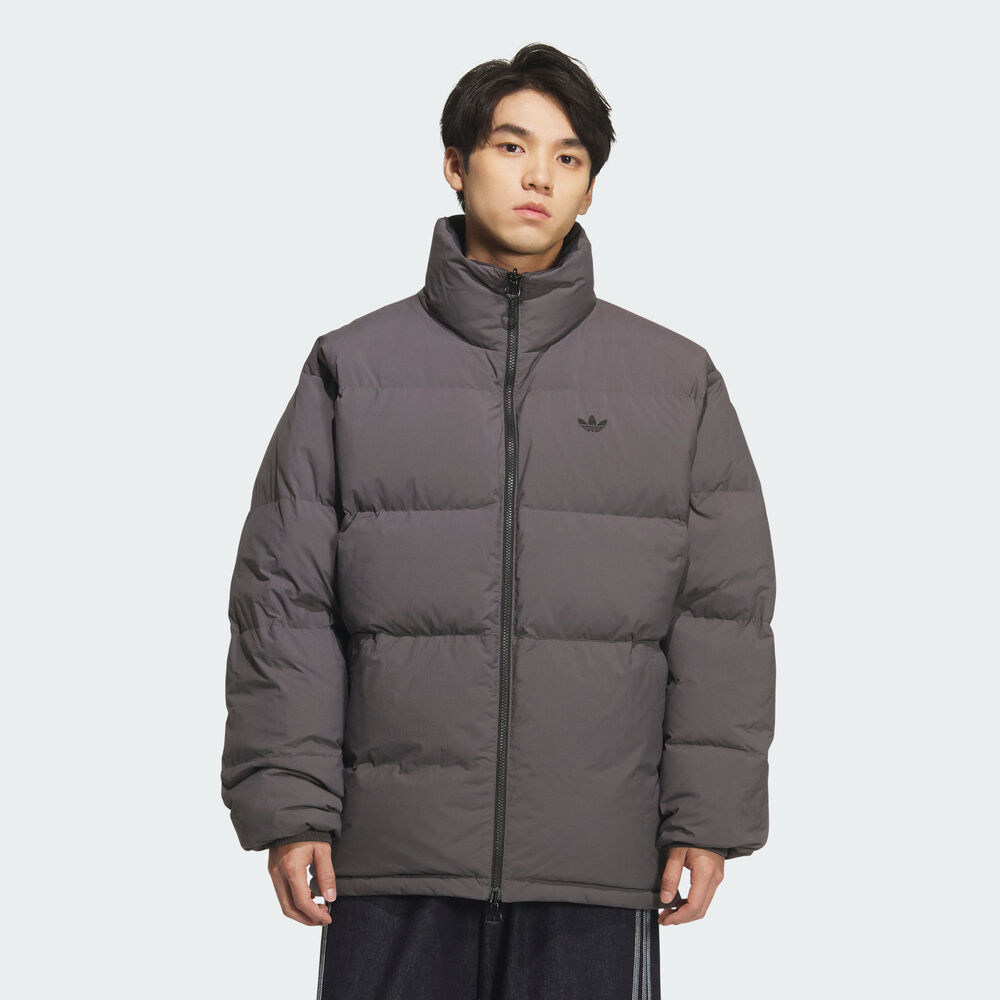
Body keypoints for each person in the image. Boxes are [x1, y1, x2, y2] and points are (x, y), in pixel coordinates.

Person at [221, 42, 777, 1000]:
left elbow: (722, 615)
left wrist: (708, 816)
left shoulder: (675, 381)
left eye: (568, 157)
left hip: (594, 858)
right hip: (391, 857)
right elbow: (285, 601)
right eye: (512, 147)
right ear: (455, 164)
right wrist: (292, 804)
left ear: (591, 188)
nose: (539, 177)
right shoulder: (353, 367)